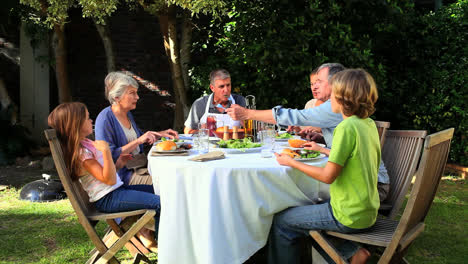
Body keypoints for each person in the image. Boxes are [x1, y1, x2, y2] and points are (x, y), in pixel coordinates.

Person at [226, 63, 390, 201]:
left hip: (369, 188)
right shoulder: (356, 118)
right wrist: (321, 138)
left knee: (292, 195)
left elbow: (295, 116)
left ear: (336, 83)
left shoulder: (338, 109)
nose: (314, 86)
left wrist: (247, 114)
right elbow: (350, 147)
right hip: (365, 181)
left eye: (319, 81)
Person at [269, 68, 380, 264]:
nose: (329, 102)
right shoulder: (367, 123)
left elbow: (328, 176)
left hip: (347, 214)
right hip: (367, 210)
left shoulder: (345, 128)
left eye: (333, 96)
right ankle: (350, 252)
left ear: (344, 98)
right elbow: (357, 158)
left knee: (282, 221)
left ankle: (348, 253)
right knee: (307, 209)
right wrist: (323, 150)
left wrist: (291, 162)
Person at [48, 102, 160, 252]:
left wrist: (118, 164)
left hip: (116, 192)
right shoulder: (82, 154)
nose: (91, 120)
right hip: (109, 199)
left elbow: (103, 176)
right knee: (161, 202)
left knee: (162, 192)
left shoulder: (86, 144)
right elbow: (109, 180)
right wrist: (106, 152)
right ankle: (166, 246)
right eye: (87, 118)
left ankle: (165, 240)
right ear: (76, 124)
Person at [95, 72, 178, 186]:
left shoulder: (127, 114)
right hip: (124, 175)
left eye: (136, 93)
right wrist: (139, 140)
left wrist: (160, 134)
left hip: (140, 167)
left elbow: (140, 138)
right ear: (117, 97)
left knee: (175, 175)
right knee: (170, 184)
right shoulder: (105, 119)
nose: (137, 97)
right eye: (132, 93)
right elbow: (109, 154)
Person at [183, 69, 247, 134]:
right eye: (221, 86)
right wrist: (202, 132)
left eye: (228, 85)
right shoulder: (200, 104)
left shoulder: (239, 101)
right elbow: (187, 131)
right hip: (207, 144)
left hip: (234, 143)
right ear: (212, 88)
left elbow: (254, 130)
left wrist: (245, 120)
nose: (226, 90)